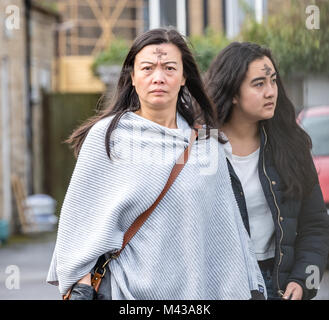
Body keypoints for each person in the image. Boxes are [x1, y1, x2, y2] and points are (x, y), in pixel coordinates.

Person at [46, 29, 266, 300]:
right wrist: (80, 284)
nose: (158, 77)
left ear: (184, 77)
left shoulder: (207, 145)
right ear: (133, 77)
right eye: (147, 68)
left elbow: (226, 236)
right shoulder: (108, 138)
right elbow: (78, 225)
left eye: (169, 68)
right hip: (127, 294)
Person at [204, 41, 329, 300]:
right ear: (233, 92)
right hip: (219, 285)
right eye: (259, 84)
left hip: (278, 283)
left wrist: (303, 278)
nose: (271, 91)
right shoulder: (199, 149)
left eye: (273, 81)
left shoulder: (290, 146)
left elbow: (315, 224)